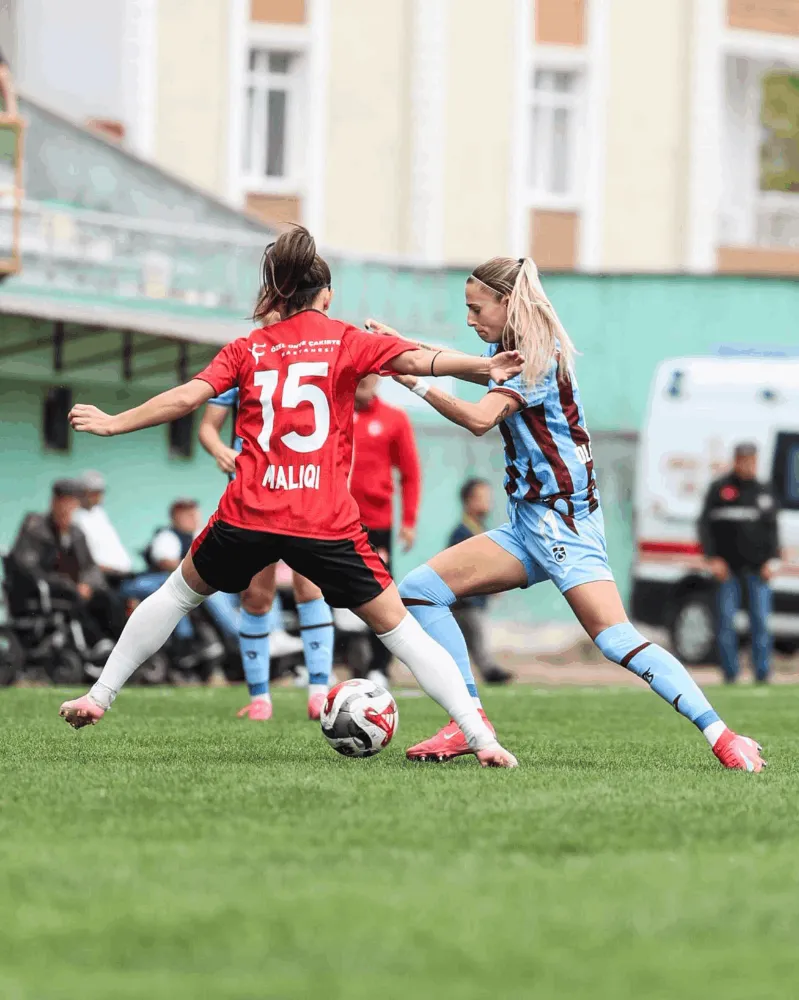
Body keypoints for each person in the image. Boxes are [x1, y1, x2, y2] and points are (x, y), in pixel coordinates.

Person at [58, 226, 523, 769]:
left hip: (251, 509)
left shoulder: (248, 348)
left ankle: (98, 696)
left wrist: (115, 423)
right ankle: (481, 738)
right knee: (399, 629)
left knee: (175, 595)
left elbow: (187, 397)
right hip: (323, 518)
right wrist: (482, 366)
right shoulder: (347, 340)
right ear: (324, 296)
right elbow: (419, 361)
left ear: (277, 294)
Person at [369, 255, 765, 772]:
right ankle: (469, 723)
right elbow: (457, 361)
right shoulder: (503, 347)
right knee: (420, 592)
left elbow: (478, 419)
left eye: (475, 308)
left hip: (564, 526)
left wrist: (409, 381)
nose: (470, 318)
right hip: (527, 524)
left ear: (507, 302)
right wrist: (398, 345)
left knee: (617, 640)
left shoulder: (536, 358)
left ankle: (722, 735)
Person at [199, 389, 332, 721]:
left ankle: (318, 693)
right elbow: (208, 427)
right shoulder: (242, 363)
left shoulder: (306, 359)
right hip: (253, 493)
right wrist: (219, 450)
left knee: (310, 586)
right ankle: (260, 697)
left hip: (302, 488)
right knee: (257, 595)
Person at [350, 373, 421, 687]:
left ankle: (380, 666)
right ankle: (320, 667)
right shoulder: (332, 414)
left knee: (379, 594)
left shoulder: (394, 418)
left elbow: (410, 473)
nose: (364, 379)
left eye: (371, 374)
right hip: (332, 520)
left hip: (376, 524)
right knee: (324, 590)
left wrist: (408, 521)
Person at [8, 479, 124, 652]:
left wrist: (87, 584)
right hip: (42, 591)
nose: (67, 507)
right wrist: (69, 585)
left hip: (75, 589)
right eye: (64, 501)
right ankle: (96, 643)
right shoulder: (35, 527)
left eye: (72, 503)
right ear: (54, 501)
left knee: (108, 598)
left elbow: (90, 567)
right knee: (72, 597)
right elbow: (27, 567)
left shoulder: (76, 532)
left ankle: (122, 646)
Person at [699, 442, 780, 684]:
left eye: (752, 461)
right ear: (736, 461)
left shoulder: (764, 491)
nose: (749, 466)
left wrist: (772, 560)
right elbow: (705, 527)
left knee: (761, 623)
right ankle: (730, 673)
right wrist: (712, 558)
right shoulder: (719, 489)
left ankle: (762, 673)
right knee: (726, 622)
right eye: (744, 461)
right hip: (728, 570)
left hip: (757, 569)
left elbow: (772, 530)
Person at [448, 478, 512, 685]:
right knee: (474, 637)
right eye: (482, 498)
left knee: (469, 641)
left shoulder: (480, 529)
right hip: (466, 601)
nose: (488, 503)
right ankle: (489, 671)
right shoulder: (462, 532)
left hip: (476, 600)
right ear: (468, 501)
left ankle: (484, 670)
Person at [73, 471, 133, 581]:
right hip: (103, 577)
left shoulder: (99, 513)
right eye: (94, 492)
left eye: (100, 492)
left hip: (122, 574)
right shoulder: (75, 518)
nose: (98, 496)